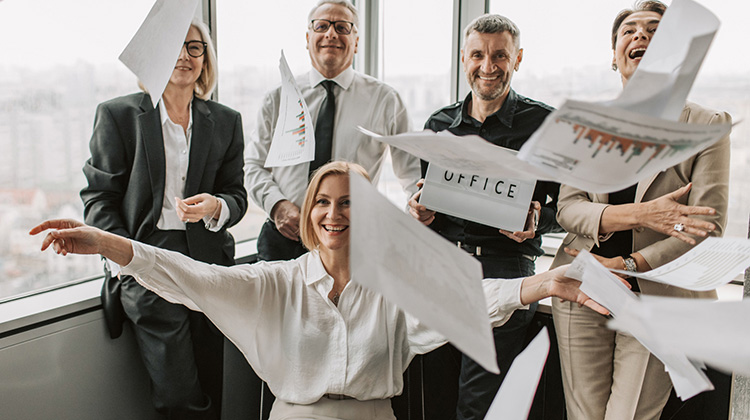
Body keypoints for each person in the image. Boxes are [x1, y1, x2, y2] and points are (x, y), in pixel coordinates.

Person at [33, 161, 609, 420]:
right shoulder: (276, 282)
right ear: (310, 214)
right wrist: (109, 243)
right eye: (324, 203)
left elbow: (468, 299)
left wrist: (540, 283)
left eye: (352, 203)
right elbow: (194, 278)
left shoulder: (395, 288)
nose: (336, 215)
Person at [550, 1, 731, 419]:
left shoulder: (707, 125)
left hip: (659, 295)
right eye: (628, 31)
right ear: (614, 56)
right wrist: (641, 216)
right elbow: (568, 208)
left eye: (655, 30)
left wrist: (628, 263)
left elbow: (708, 225)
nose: (640, 36)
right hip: (583, 285)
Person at [79, 20, 247, 419]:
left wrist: (216, 207)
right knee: (178, 392)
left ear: (205, 59)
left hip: (208, 264)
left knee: (211, 377)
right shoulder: (118, 115)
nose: (184, 56)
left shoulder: (225, 120)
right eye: (173, 45)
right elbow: (99, 198)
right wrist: (127, 259)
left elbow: (237, 196)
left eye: (194, 47)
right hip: (147, 261)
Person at [407, 14, 561, 420]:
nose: (488, 66)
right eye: (478, 54)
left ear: (518, 58)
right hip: (441, 269)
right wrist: (419, 212)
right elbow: (430, 205)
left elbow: (567, 209)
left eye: (500, 55)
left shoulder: (544, 125)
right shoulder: (438, 125)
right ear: (464, 58)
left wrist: (536, 219)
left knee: (477, 407)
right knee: (434, 396)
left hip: (506, 269)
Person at [245, 0, 420, 262]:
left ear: (357, 41)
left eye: (342, 27)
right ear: (308, 37)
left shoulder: (385, 100)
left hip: (352, 239)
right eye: (322, 26)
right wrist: (278, 206)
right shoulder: (277, 99)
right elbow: (253, 166)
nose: (331, 34)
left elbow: (411, 175)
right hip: (284, 237)